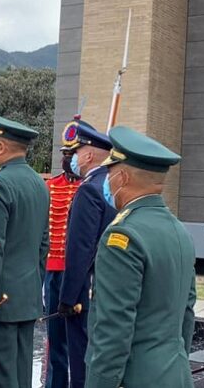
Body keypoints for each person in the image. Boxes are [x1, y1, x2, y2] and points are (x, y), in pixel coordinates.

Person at [86, 125, 195, 388]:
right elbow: (187, 313)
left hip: (134, 378)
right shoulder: (179, 230)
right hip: (175, 375)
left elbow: (113, 330)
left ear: (122, 177)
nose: (106, 181)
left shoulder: (122, 236)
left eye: (109, 174)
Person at [0, 114, 50, 388]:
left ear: (1, 146)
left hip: (0, 300)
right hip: (27, 296)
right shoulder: (39, 184)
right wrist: (33, 284)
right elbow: (43, 244)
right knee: (21, 374)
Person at [57, 120, 116, 388]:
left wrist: (68, 298)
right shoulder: (114, 185)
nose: (73, 160)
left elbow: (80, 249)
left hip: (85, 293)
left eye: (77, 152)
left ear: (89, 154)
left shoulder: (90, 190)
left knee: (81, 363)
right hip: (108, 289)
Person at [43, 145, 81, 388]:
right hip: (52, 269)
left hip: (75, 272)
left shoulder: (89, 188)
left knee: (78, 338)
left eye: (72, 155)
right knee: (54, 336)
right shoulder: (51, 186)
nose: (67, 159)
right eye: (65, 155)